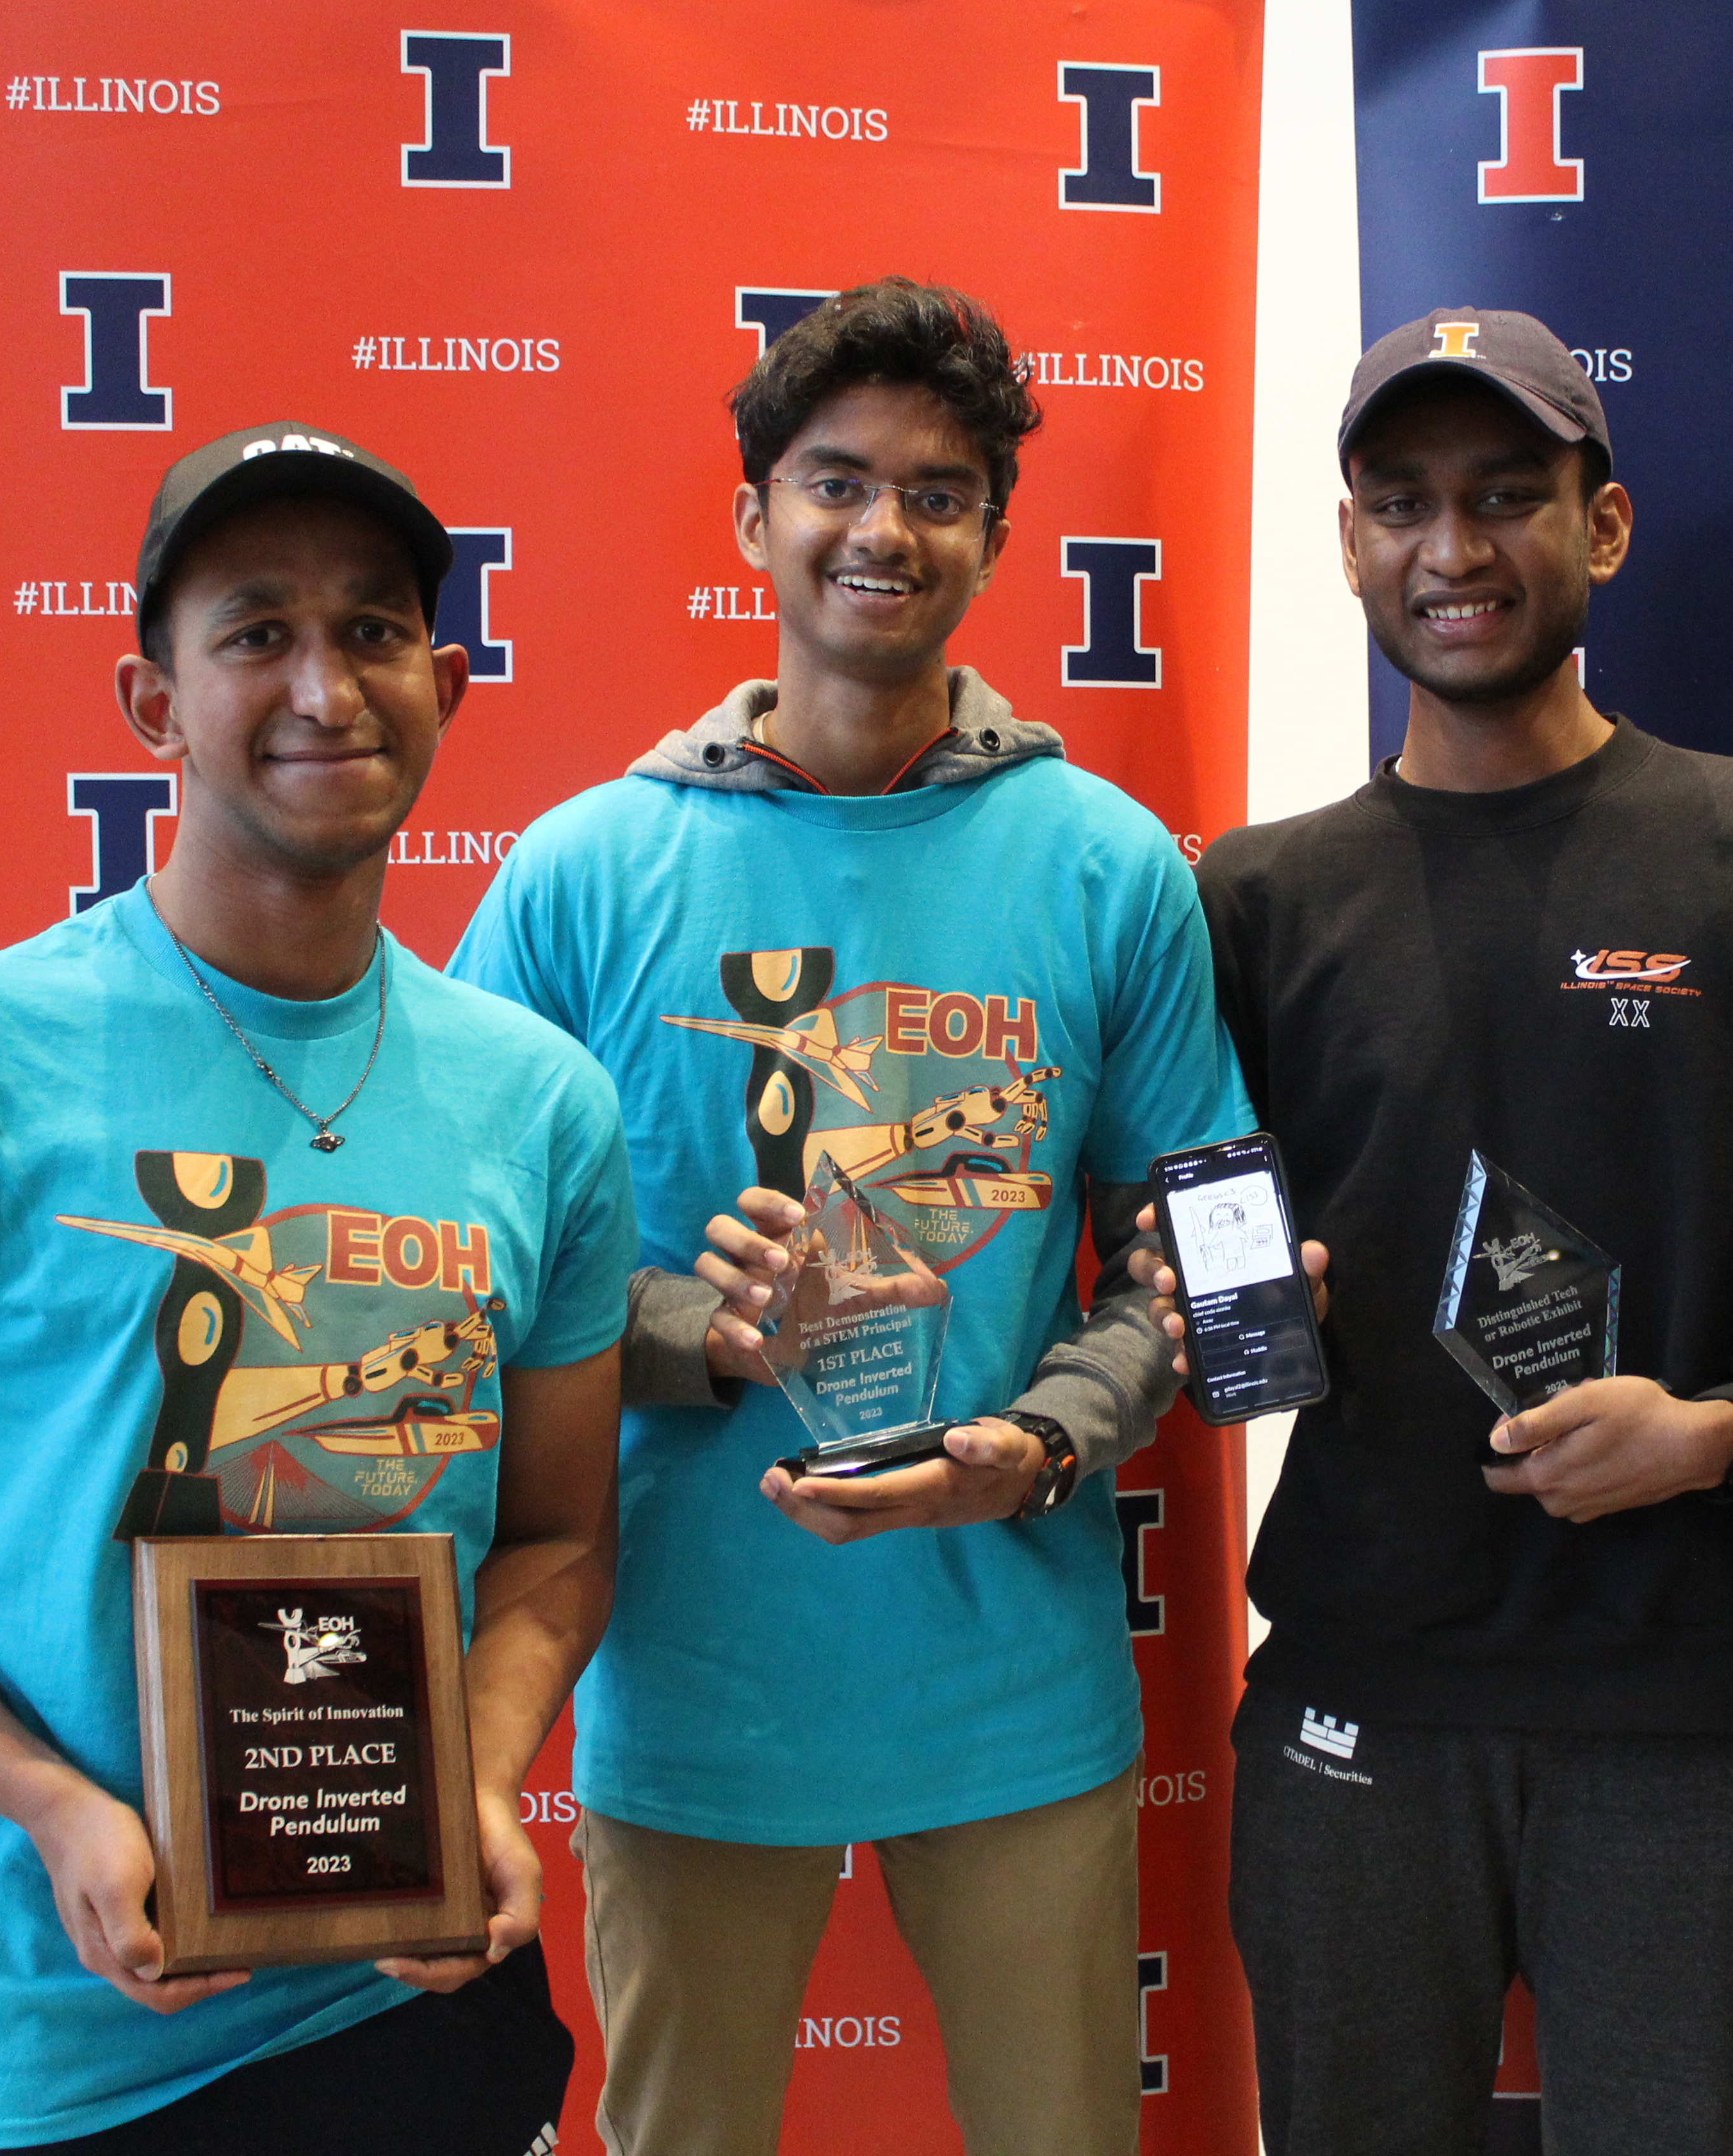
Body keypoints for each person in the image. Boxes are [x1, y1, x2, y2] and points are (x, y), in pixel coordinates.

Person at [0, 423, 639, 2154]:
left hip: (406, 2008)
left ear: (449, 685)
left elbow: (560, 1541)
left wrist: (478, 1776)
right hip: (36, 2047)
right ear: (154, 704)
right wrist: (54, 1806)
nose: (324, 685)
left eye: (373, 631)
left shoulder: (543, 1102)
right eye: (255, 633)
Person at [449, 279, 1252, 2156]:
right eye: (836, 483)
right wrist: (678, 1334)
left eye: (938, 491)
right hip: (689, 1688)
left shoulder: (1109, 863)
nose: (883, 529)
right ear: (753, 521)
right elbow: (458, 1266)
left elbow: (1208, 1242)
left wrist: (1046, 1443)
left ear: (993, 535)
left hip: (1014, 1689)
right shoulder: (584, 872)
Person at [1178, 307, 1733, 2155]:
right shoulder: (1253, 897)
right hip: (1364, 1705)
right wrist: (1201, 1319)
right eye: (1402, 503)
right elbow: (1187, 1264)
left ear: (1603, 526)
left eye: (1509, 495)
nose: (1453, 550)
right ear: (1347, 542)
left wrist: (1722, 1433)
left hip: (1707, 1720)